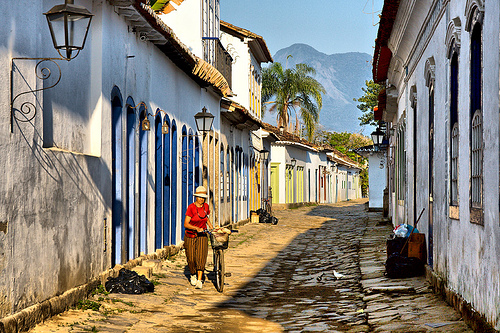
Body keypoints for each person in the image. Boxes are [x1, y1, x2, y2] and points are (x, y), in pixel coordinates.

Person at [184, 185, 213, 289]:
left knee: (201, 257)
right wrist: (196, 228)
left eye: (203, 197)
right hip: (190, 235)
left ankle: (200, 280)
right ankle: (193, 274)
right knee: (191, 258)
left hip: (202, 236)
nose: (201, 199)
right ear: (196, 197)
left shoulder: (206, 206)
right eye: (199, 197)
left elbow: (206, 218)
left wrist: (212, 227)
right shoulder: (191, 207)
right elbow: (186, 224)